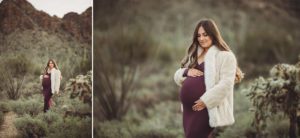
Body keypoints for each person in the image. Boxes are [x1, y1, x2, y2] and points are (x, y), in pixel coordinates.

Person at [174, 19, 243, 138]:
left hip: (205, 107)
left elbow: (226, 84)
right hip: (188, 110)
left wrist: (206, 101)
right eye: (199, 35)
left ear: (213, 34)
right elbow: (178, 75)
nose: (201, 38)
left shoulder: (225, 56)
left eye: (205, 34)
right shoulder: (194, 54)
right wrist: (186, 71)